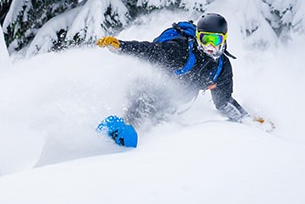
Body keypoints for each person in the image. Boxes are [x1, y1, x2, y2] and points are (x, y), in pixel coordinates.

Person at [96, 13, 267, 126]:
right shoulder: (181, 51)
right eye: (205, 38)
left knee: (160, 119)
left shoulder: (221, 68)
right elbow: (149, 51)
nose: (209, 45)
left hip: (171, 104)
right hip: (147, 88)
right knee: (144, 106)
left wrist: (248, 119)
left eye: (214, 40)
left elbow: (223, 102)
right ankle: (121, 130)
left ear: (223, 39)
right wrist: (121, 46)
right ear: (198, 36)